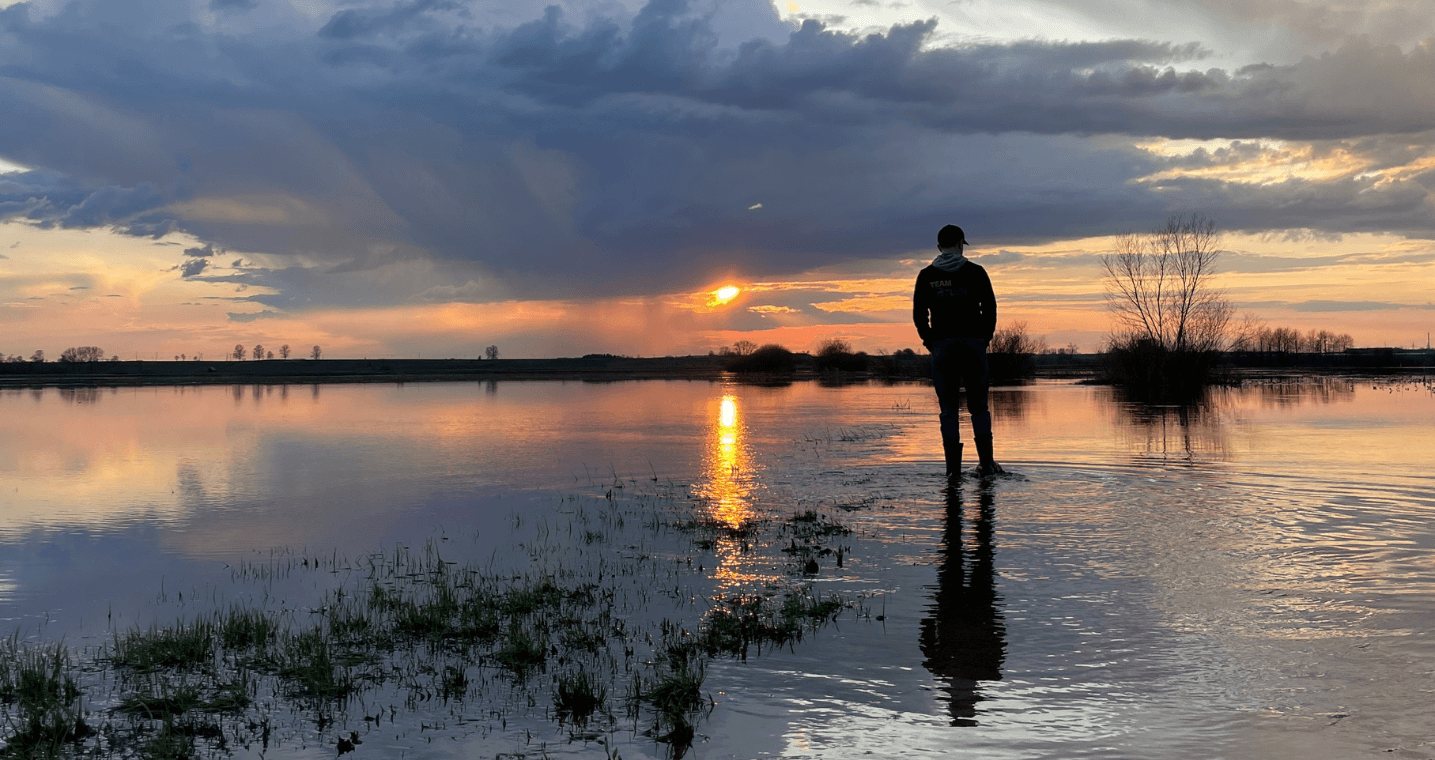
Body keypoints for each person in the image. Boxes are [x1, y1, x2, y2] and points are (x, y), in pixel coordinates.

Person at [913, 224, 1004, 477]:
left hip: (943, 349)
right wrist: (983, 339)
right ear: (961, 244)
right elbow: (991, 309)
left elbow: (919, 316)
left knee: (948, 410)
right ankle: (987, 466)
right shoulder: (976, 272)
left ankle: (952, 472)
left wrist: (931, 342)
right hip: (973, 346)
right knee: (979, 408)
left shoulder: (926, 275)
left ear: (939, 247)